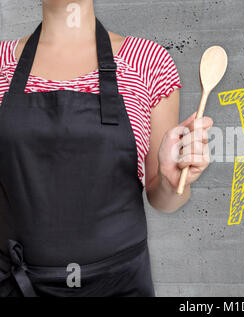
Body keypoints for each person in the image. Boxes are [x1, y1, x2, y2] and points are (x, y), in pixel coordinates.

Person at [0, 0, 212, 297]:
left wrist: (171, 178)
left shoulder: (148, 62)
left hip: (121, 287)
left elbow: (164, 199)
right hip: (17, 285)